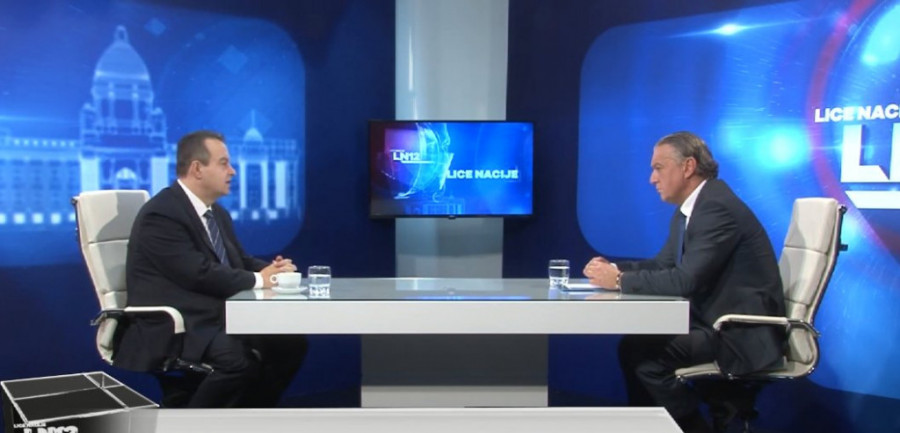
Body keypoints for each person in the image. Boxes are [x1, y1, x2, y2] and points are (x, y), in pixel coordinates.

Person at [583, 131, 785, 433]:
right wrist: (613, 269)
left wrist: (620, 281)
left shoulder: (716, 208)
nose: (652, 179)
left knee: (644, 357)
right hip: (712, 323)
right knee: (633, 347)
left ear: (688, 166)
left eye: (659, 168)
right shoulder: (692, 209)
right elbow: (662, 265)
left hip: (739, 333)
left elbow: (685, 281)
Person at [115, 130, 308, 408]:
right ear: (197, 169)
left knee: (290, 344)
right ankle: (194, 425)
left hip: (212, 315)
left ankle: (249, 418)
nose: (232, 171)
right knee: (237, 361)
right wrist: (260, 279)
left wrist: (272, 271)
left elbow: (238, 259)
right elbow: (197, 273)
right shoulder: (162, 214)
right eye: (224, 163)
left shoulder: (215, 212)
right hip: (179, 322)